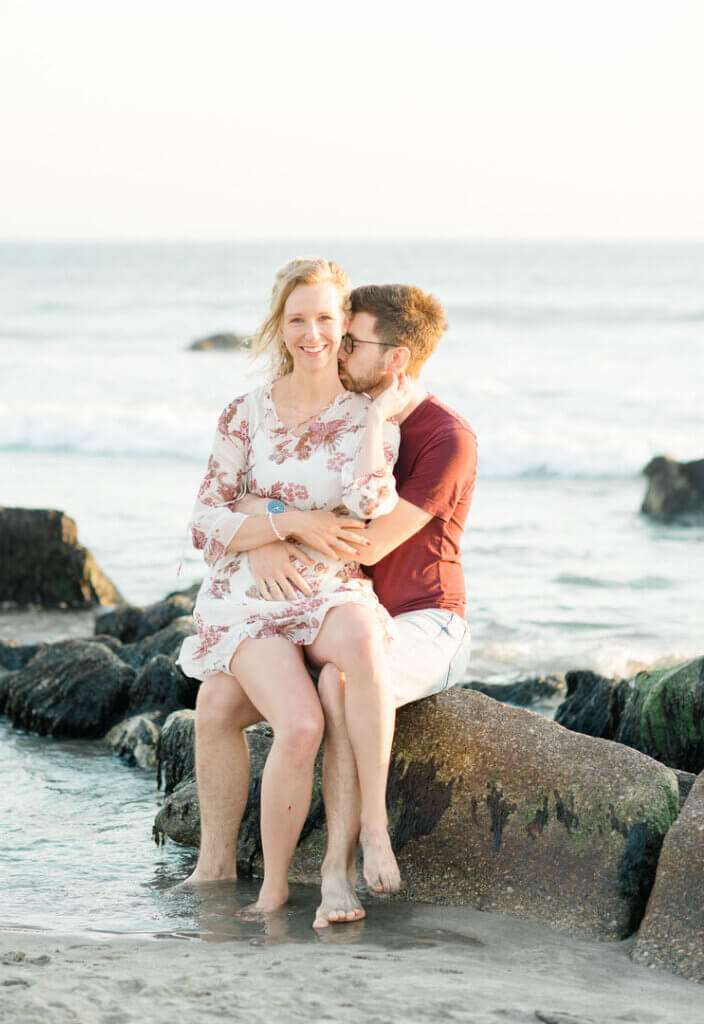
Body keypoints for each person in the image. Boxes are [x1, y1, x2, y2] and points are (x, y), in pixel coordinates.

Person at [179, 282, 478, 929]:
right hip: (315, 595)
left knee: (338, 688)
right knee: (216, 702)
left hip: (416, 615)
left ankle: (342, 867)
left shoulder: (436, 434)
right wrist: (271, 529)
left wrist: (270, 525)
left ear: (393, 358)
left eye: (348, 337)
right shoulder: (282, 408)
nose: (333, 347)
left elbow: (359, 536)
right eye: (313, 325)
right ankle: (214, 866)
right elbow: (241, 515)